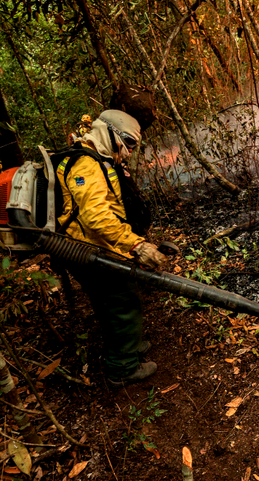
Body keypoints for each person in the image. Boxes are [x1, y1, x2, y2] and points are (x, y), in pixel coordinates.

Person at [56, 109, 166, 387]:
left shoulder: (94, 158)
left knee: (110, 302)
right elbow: (96, 219)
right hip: (88, 249)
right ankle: (123, 368)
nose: (129, 152)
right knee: (122, 300)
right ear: (108, 133)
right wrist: (136, 244)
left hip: (93, 246)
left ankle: (129, 344)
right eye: (128, 143)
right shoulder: (85, 165)